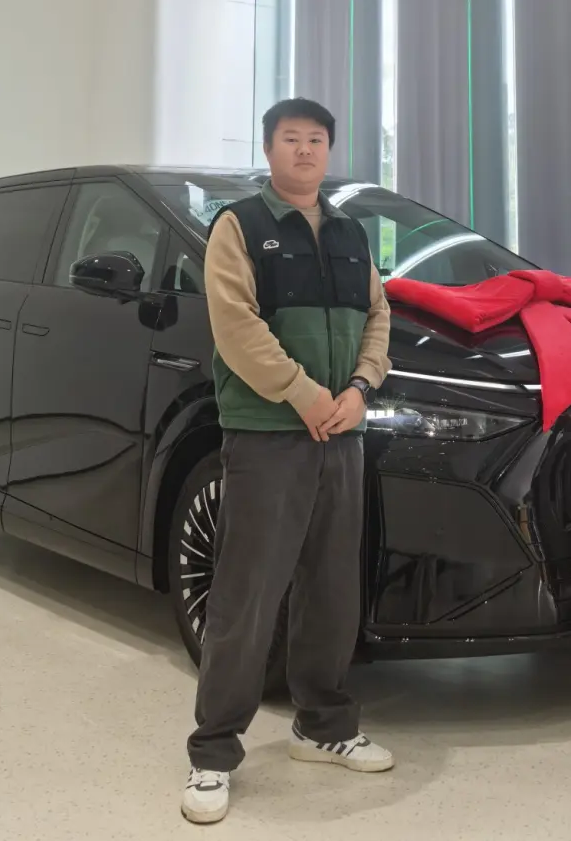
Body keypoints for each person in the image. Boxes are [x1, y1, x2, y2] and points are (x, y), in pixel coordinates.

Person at [182, 97, 394, 825]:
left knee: (332, 587)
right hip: (269, 431)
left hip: (341, 434)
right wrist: (304, 393)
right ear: (270, 149)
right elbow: (235, 325)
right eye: (291, 138)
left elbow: (378, 315)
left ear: (329, 151)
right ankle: (213, 752)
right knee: (247, 594)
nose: (305, 149)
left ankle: (322, 725)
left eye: (317, 139)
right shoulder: (239, 226)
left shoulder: (351, 233)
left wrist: (361, 389)